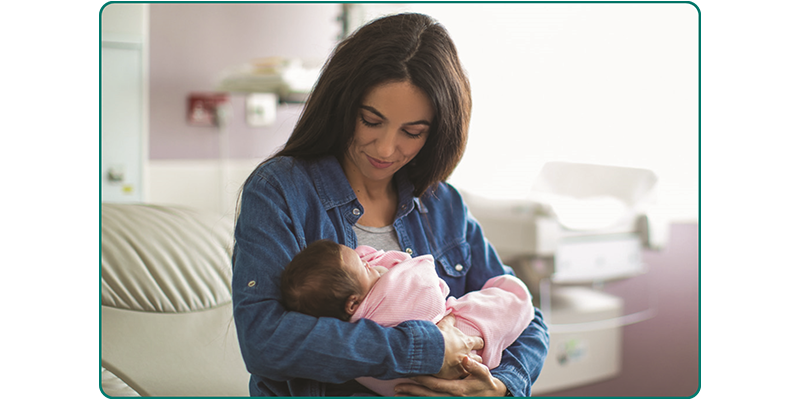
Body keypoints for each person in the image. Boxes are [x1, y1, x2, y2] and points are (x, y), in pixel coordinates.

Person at [232, 12, 549, 397]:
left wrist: (501, 386)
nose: (385, 148)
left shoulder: (442, 204)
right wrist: (429, 348)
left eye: (412, 132)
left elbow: (524, 314)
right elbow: (266, 341)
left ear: (436, 134)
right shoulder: (281, 191)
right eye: (371, 120)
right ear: (343, 106)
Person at [280, 240, 536, 397]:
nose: (368, 260)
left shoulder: (342, 322)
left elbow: (536, 332)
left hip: (447, 381)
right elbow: (428, 291)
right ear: (353, 304)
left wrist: (503, 386)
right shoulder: (383, 305)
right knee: (508, 296)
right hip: (453, 345)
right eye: (365, 267)